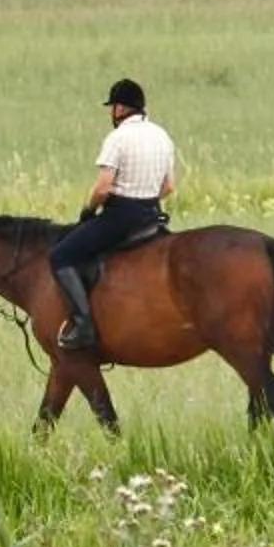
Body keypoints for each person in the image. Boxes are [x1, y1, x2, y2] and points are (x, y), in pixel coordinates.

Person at [51, 80, 176, 352]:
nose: (112, 113)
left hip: (121, 216)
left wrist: (89, 210)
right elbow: (168, 187)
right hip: (153, 215)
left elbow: (103, 187)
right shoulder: (161, 135)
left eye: (113, 107)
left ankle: (83, 325)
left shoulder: (117, 138)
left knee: (61, 255)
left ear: (120, 108)